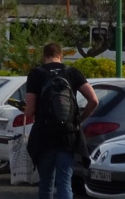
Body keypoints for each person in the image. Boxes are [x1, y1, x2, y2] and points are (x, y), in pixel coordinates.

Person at [24, 42, 98, 199]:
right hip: (68, 136)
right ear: (61, 56)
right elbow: (94, 100)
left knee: (46, 184)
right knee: (64, 183)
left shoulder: (36, 74)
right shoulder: (72, 72)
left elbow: (29, 111)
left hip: (44, 136)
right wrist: (79, 120)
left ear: (44, 56)